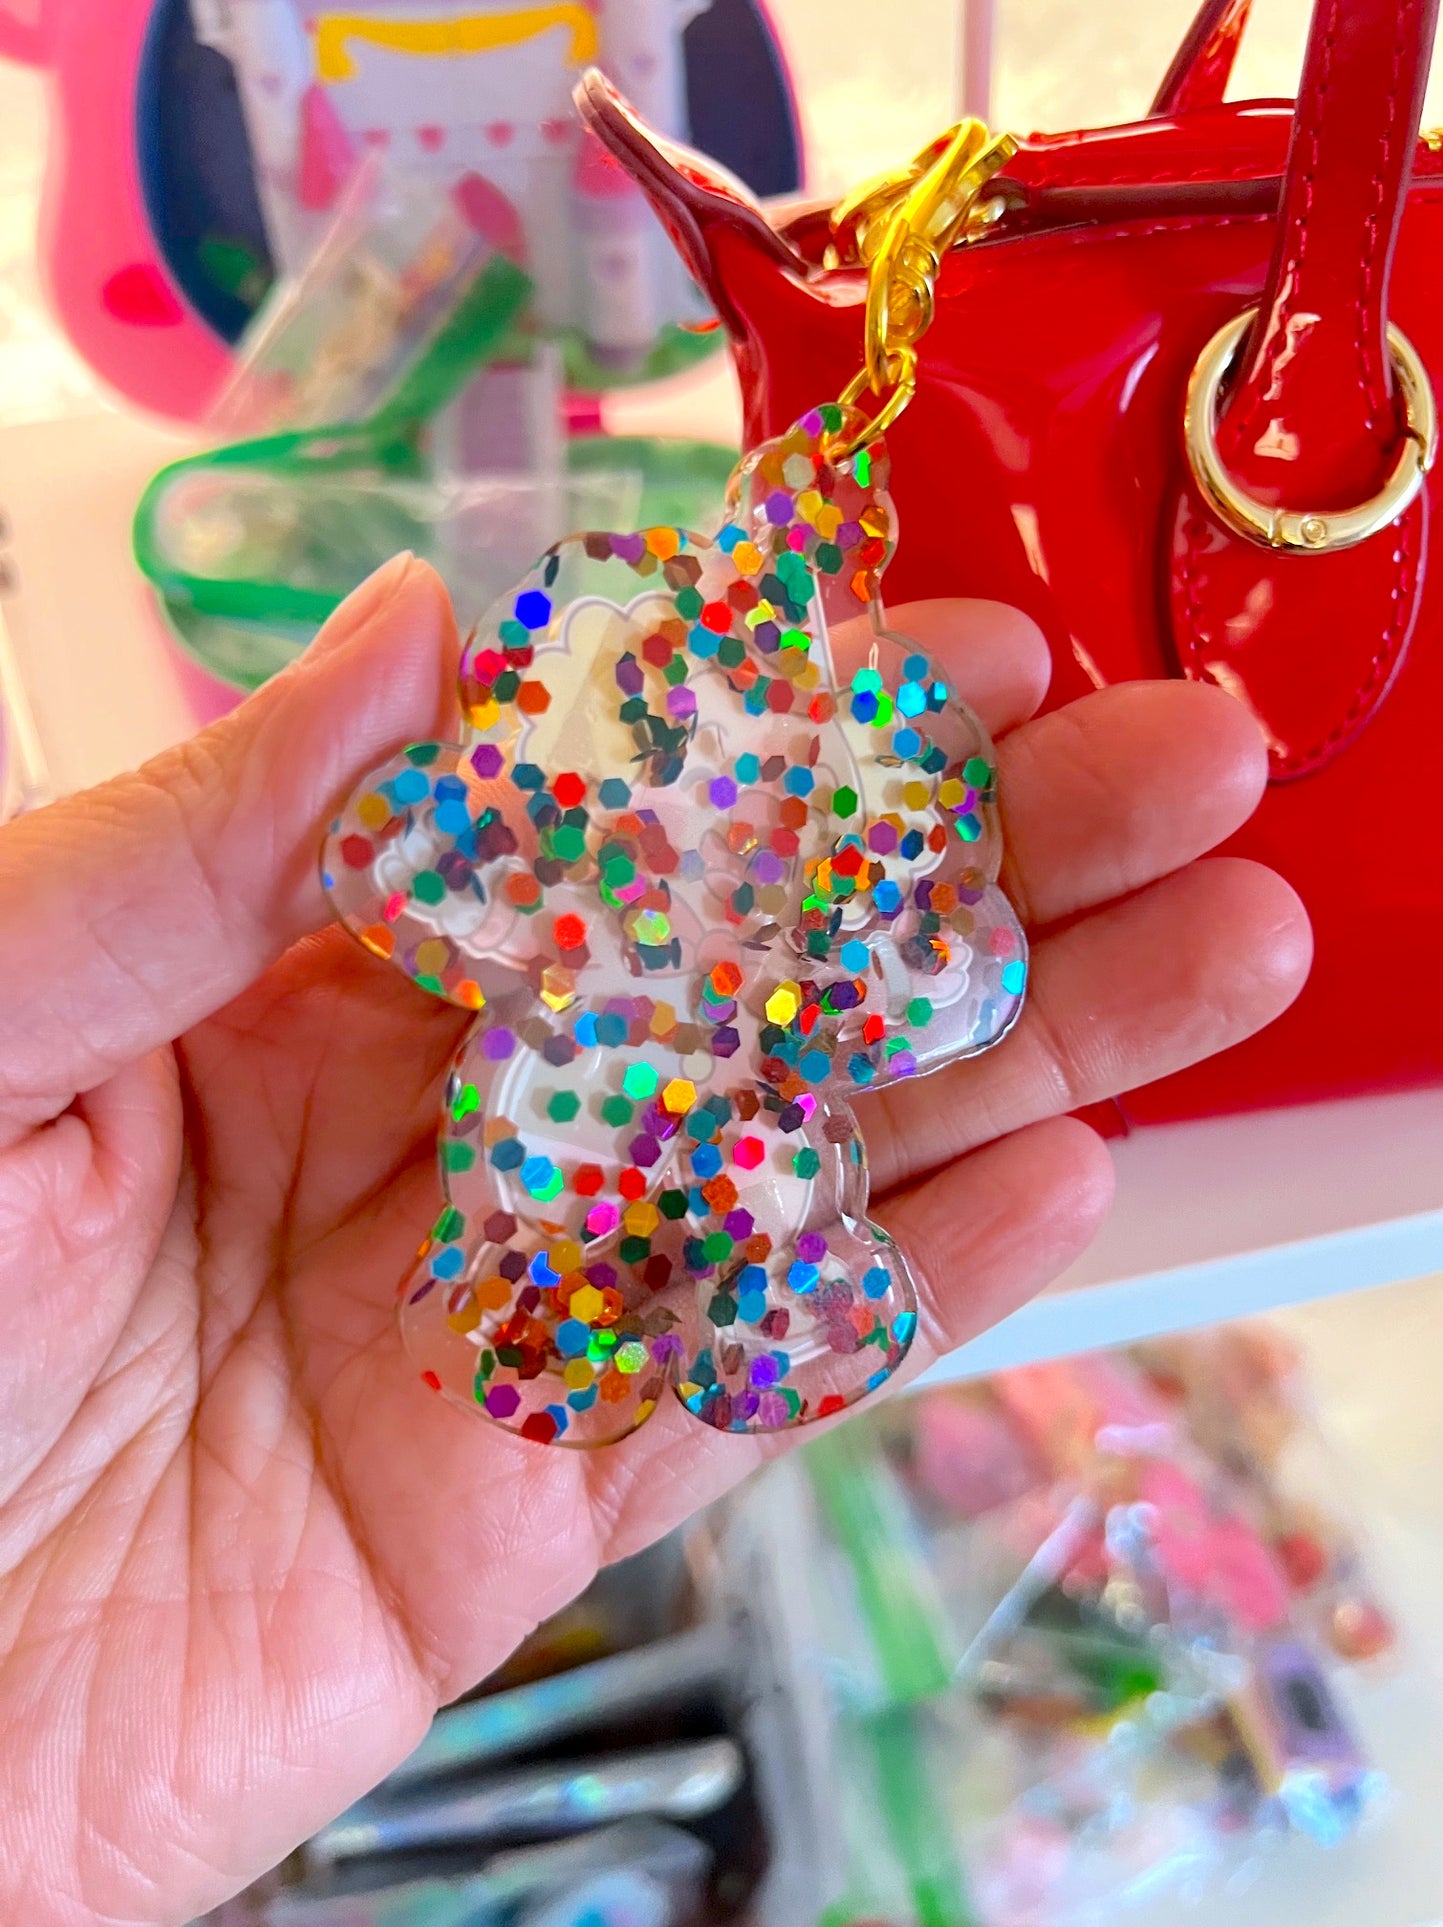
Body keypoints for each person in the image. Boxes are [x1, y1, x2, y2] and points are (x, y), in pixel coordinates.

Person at [0, 557, 1309, 1925]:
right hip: (574, 1113)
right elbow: (426, 866)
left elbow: (899, 961)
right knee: (596, 1209)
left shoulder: (825, 862)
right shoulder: (558, 848)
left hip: (738, 1122)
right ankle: (604, 1300)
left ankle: (743, 1304)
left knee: (753, 1195)